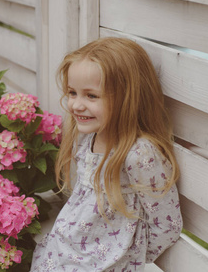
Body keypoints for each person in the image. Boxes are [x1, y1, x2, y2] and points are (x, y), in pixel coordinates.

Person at [31, 37, 182, 271]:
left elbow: (166, 225)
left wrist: (129, 255)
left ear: (128, 98)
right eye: (73, 92)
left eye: (91, 96)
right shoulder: (89, 138)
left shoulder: (138, 154)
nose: (76, 105)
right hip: (66, 251)